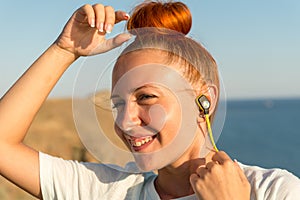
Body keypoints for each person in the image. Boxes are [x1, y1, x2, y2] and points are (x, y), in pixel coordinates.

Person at [0, 1, 299, 200]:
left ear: (203, 100)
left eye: (145, 97)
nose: (124, 121)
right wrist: (64, 50)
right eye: (118, 104)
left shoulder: (273, 191)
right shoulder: (109, 191)